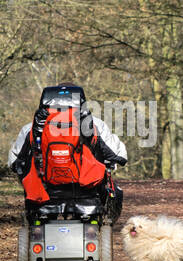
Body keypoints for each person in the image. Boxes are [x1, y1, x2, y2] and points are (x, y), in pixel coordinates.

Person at [8, 83, 127, 218]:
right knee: (115, 192)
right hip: (87, 189)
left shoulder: (31, 128)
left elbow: (14, 162)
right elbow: (118, 155)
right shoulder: (95, 125)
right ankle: (105, 224)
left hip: (44, 191)